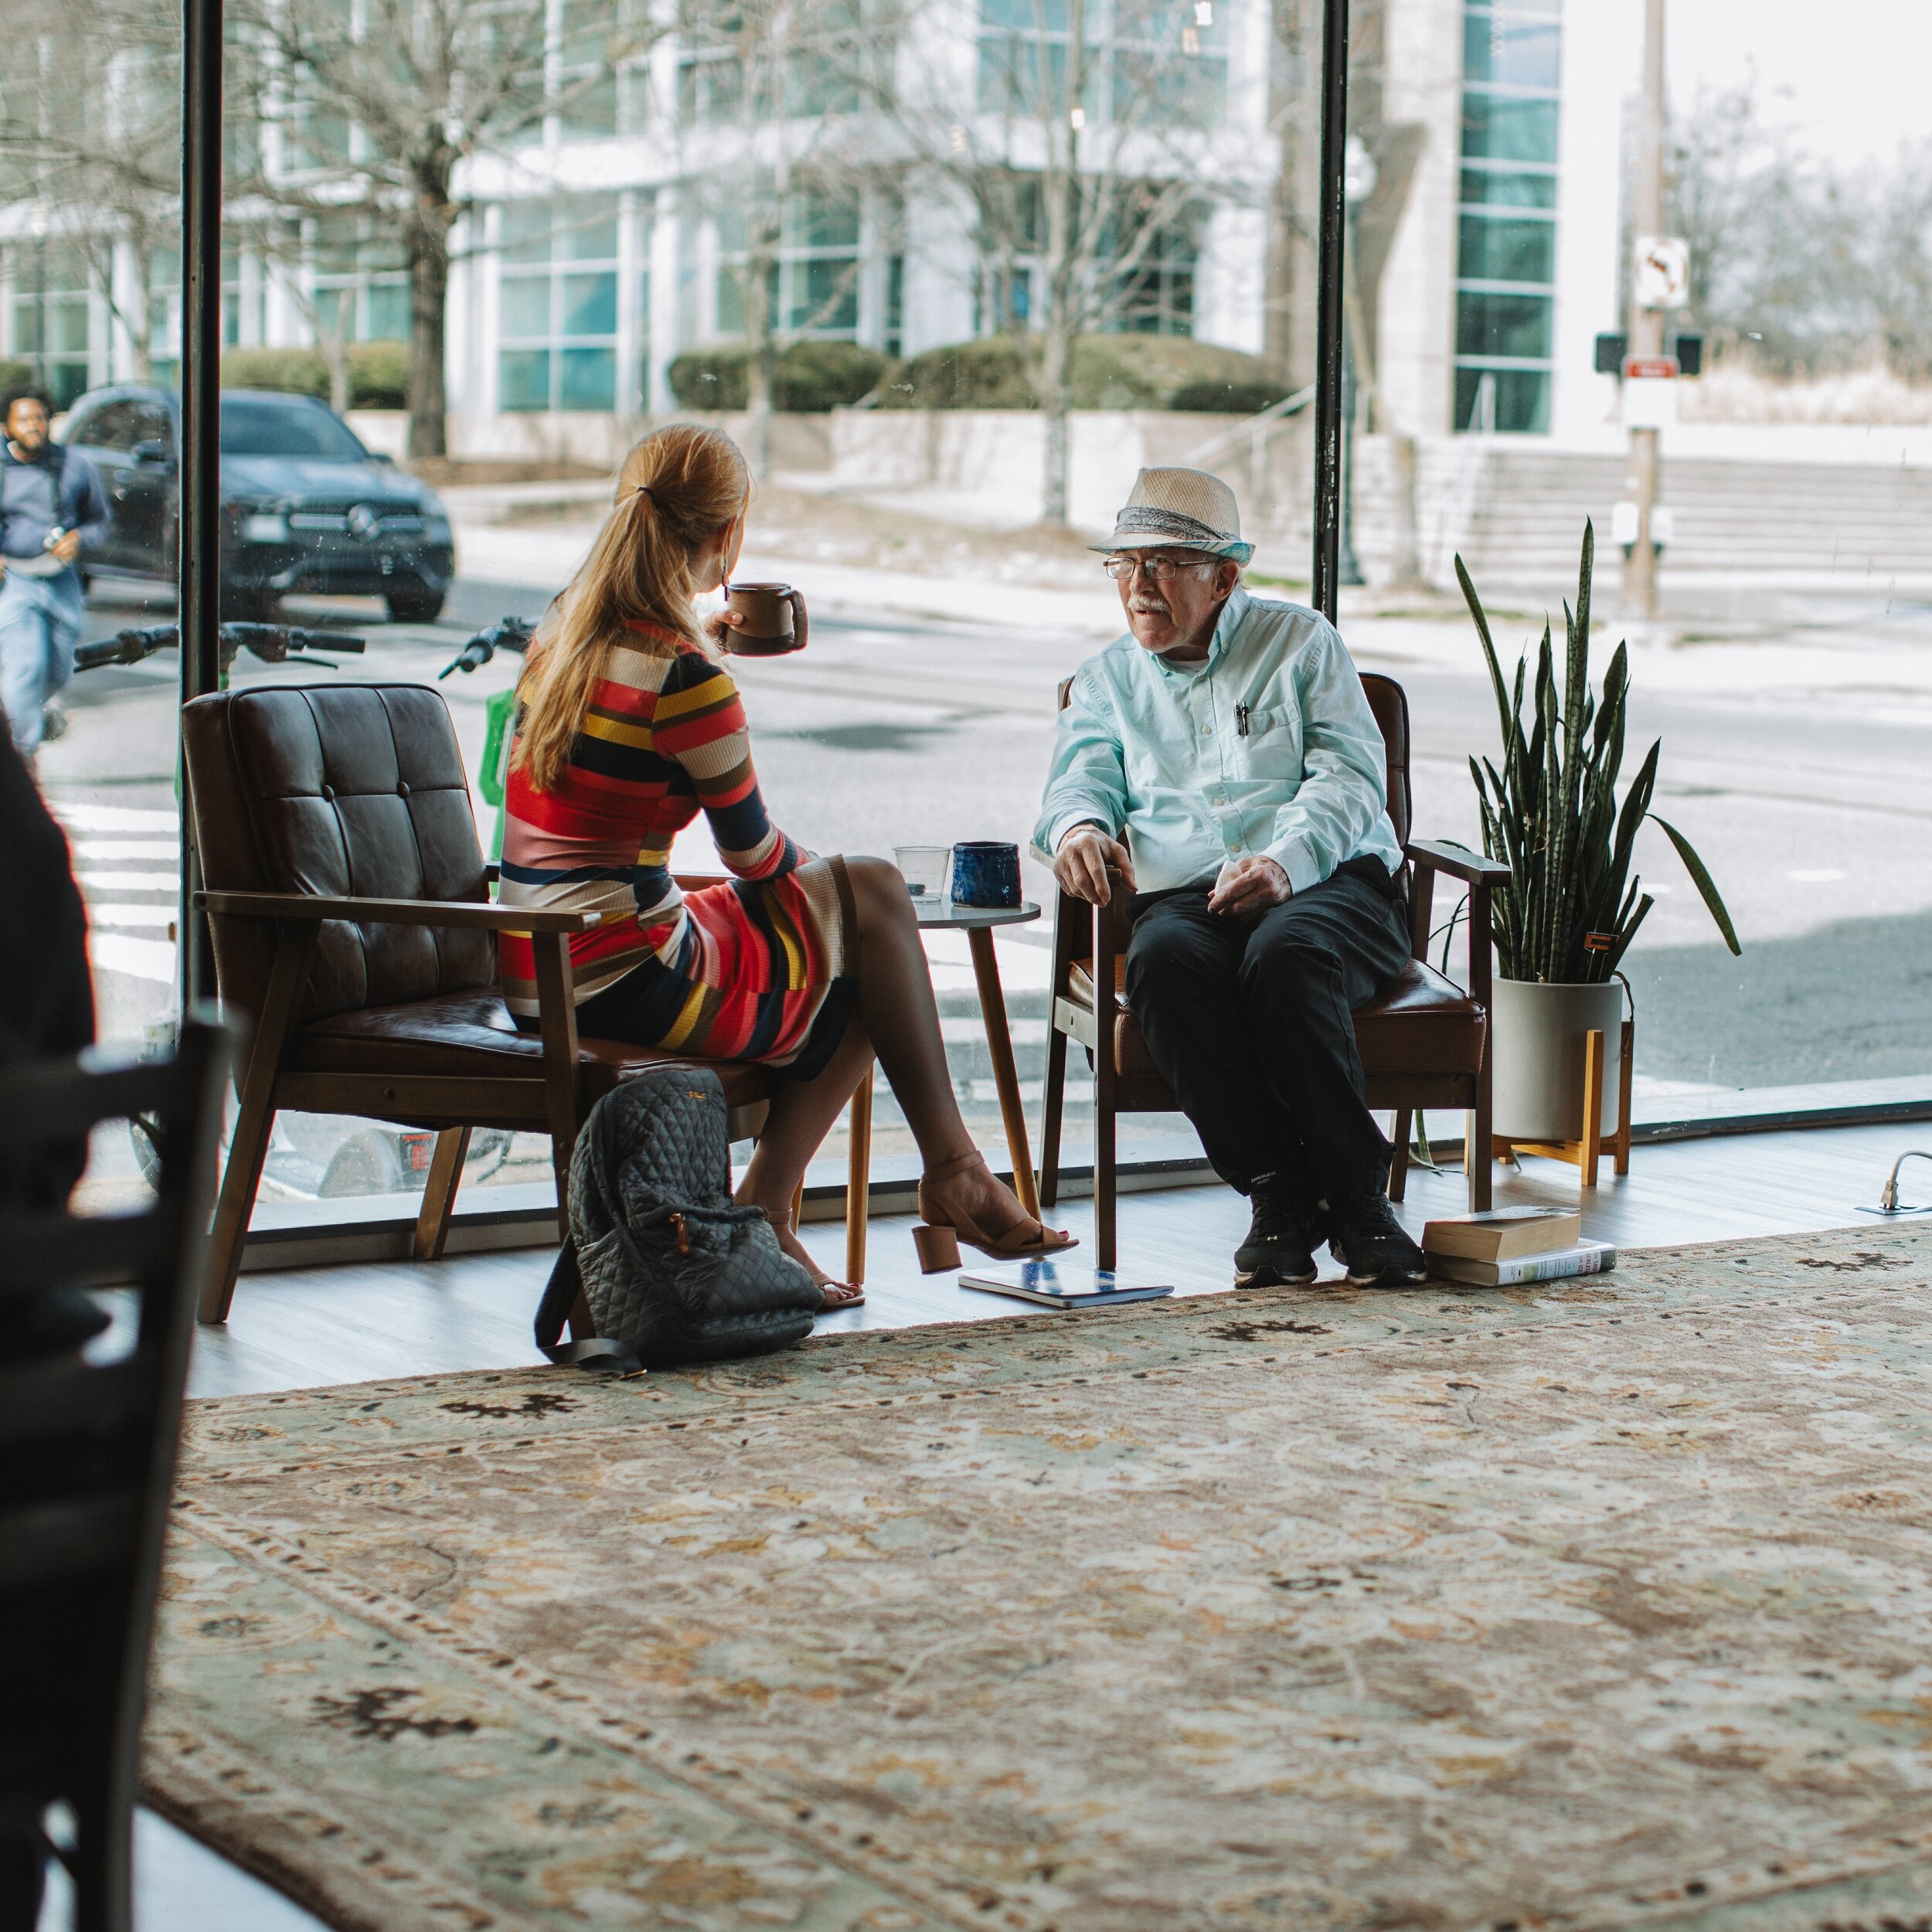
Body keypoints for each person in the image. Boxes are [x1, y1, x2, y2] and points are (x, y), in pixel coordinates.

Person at [500, 423, 1072, 1308]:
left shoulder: (562, 636)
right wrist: (840, 892)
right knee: (870, 912)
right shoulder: (686, 677)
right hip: (622, 972)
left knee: (860, 939)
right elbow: (755, 857)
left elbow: (632, 718)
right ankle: (925, 1177)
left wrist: (709, 646)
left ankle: (820, 1201)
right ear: (728, 538)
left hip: (535, 962)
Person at [1033, 466, 1427, 1289]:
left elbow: (1350, 779)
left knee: (1285, 955)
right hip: (1187, 894)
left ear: (1226, 577)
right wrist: (1078, 828)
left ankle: (1357, 1197)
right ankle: (1280, 1189)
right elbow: (1079, 781)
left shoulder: (1300, 642)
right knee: (1162, 963)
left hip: (1328, 880)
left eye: (1167, 563)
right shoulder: (1105, 682)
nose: (1140, 585)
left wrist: (1285, 861)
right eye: (1126, 564)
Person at [0, 385, 107, 768]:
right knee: (26, 663)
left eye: (40, 418)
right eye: (24, 419)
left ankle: (30, 712)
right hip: (16, 580)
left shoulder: (77, 465)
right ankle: (22, 758)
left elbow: (100, 521)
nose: (34, 426)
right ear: (6, 427)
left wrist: (79, 538)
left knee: (59, 668)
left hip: (62, 580)